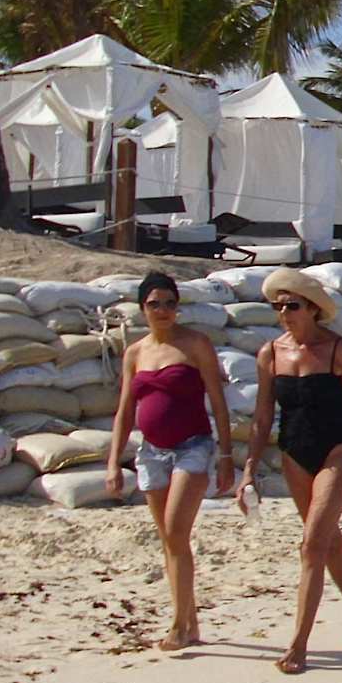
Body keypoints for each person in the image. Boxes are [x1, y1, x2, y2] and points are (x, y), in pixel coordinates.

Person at [242, 267, 342, 675]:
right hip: (294, 452)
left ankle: (298, 645)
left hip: (339, 449)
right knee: (330, 545)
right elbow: (262, 417)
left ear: (312, 309)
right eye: (278, 307)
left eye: (292, 306)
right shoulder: (270, 353)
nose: (284, 314)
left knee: (312, 545)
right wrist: (248, 469)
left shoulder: (337, 350)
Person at [105, 270, 233, 651]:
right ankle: (190, 621)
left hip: (193, 447)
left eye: (170, 303)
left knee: (176, 531)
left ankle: (178, 625)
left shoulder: (195, 344)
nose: (162, 310)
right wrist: (113, 462)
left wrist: (226, 455)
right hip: (151, 452)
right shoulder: (135, 352)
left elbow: (218, 403)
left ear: (178, 307)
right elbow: (125, 410)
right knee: (169, 539)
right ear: (142, 308)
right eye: (154, 304)